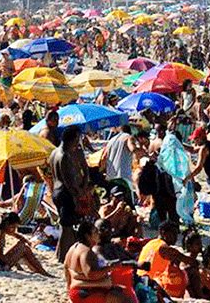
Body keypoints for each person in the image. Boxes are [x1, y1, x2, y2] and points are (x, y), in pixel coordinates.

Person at [52, 126, 94, 262]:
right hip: (66, 193)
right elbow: (69, 180)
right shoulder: (64, 156)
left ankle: (59, 254)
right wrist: (79, 195)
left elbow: (84, 169)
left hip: (57, 192)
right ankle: (63, 257)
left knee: (66, 226)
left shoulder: (55, 152)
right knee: (67, 227)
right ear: (74, 138)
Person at [65, 221, 134, 303]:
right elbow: (91, 274)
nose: (98, 234)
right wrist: (110, 268)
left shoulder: (74, 247)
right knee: (124, 299)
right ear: (88, 236)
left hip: (76, 291)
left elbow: (66, 267)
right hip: (84, 293)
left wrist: (68, 287)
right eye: (95, 232)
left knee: (120, 290)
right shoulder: (86, 252)